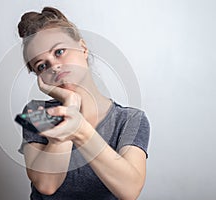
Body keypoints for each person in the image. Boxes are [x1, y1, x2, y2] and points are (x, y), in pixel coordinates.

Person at [17, 6, 150, 200]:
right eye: (42, 65)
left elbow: (129, 190)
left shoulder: (130, 120)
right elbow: (46, 184)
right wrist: (70, 106)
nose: (54, 66)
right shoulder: (35, 112)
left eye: (59, 51)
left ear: (83, 48)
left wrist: (79, 129)